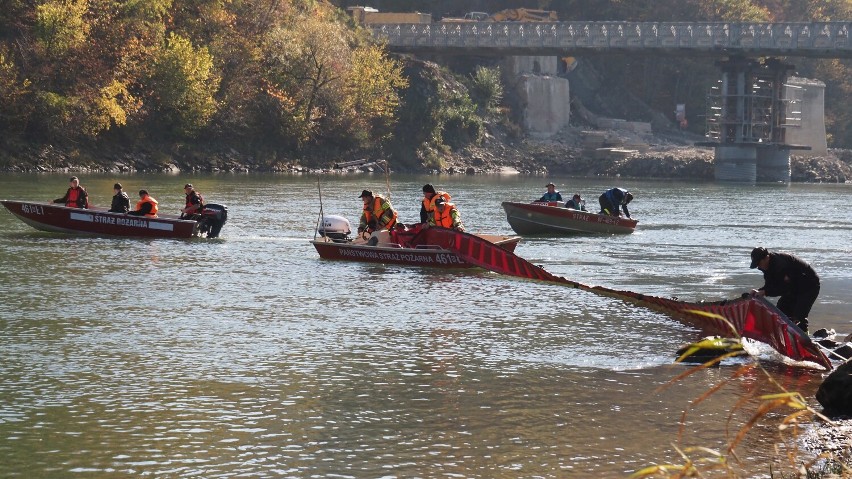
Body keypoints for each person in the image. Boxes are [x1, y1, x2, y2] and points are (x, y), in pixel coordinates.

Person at [749, 247, 820, 334]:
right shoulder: (766, 266)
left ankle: (805, 340)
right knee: (781, 310)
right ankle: (787, 337)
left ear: (766, 257)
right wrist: (759, 291)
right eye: (756, 265)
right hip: (794, 287)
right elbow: (770, 285)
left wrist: (765, 292)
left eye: (759, 263)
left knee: (799, 315)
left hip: (809, 286)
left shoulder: (781, 264)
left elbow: (784, 289)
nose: (758, 267)